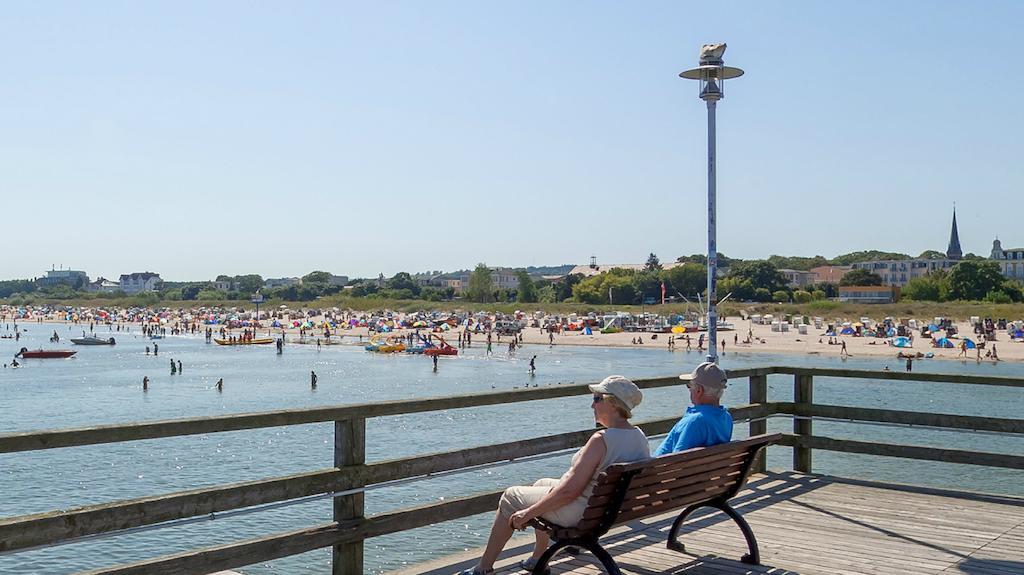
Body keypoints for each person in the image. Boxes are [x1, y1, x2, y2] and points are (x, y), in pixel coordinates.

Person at [458, 376, 649, 575]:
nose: (592, 405)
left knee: (510, 496)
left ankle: (483, 568)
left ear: (612, 403)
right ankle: (538, 559)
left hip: (582, 514)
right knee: (541, 483)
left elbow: (569, 492)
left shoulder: (601, 440)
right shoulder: (639, 436)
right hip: (606, 510)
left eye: (597, 398)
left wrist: (527, 513)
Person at [654, 362, 733, 456]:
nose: (689, 390)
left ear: (699, 390)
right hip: (708, 469)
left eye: (689, 386)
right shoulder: (726, 418)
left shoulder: (694, 421)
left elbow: (677, 460)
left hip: (663, 469)